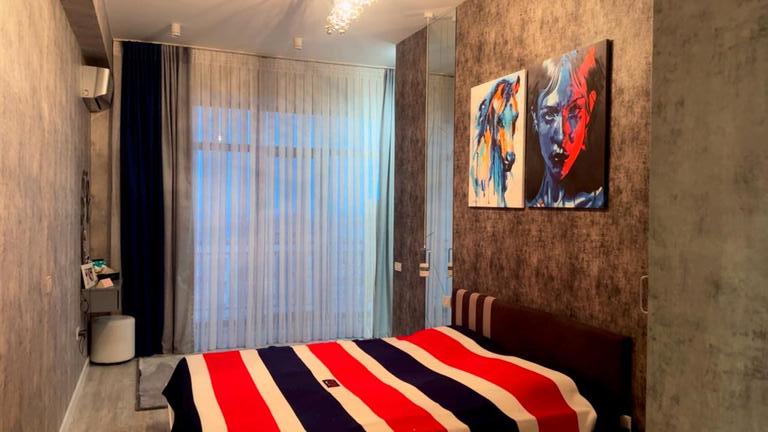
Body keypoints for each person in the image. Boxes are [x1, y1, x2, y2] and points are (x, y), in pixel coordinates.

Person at [527, 44, 606, 208]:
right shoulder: (528, 205)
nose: (561, 135)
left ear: (589, 111)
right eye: (549, 114)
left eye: (574, 111)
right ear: (535, 117)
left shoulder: (598, 202)